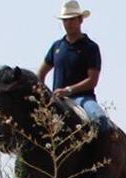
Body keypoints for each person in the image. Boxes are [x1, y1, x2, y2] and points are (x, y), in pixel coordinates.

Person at [37, 1, 110, 134]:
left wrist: (68, 90)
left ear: (80, 19)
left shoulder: (90, 47)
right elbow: (41, 73)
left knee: (100, 120)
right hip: (57, 99)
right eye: (65, 20)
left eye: (71, 19)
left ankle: (100, 154)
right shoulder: (57, 46)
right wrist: (43, 96)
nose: (68, 24)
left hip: (82, 98)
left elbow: (92, 80)